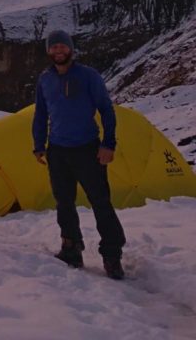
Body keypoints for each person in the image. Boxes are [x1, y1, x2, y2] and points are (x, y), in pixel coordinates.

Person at [32, 30, 126, 279]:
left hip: (87, 149)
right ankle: (71, 247)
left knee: (100, 202)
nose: (58, 50)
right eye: (54, 47)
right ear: (48, 51)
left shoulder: (88, 76)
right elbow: (40, 113)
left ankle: (112, 255)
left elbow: (106, 109)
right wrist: (39, 144)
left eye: (62, 46)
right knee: (64, 202)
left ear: (71, 49)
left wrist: (108, 144)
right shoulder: (45, 79)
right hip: (57, 150)